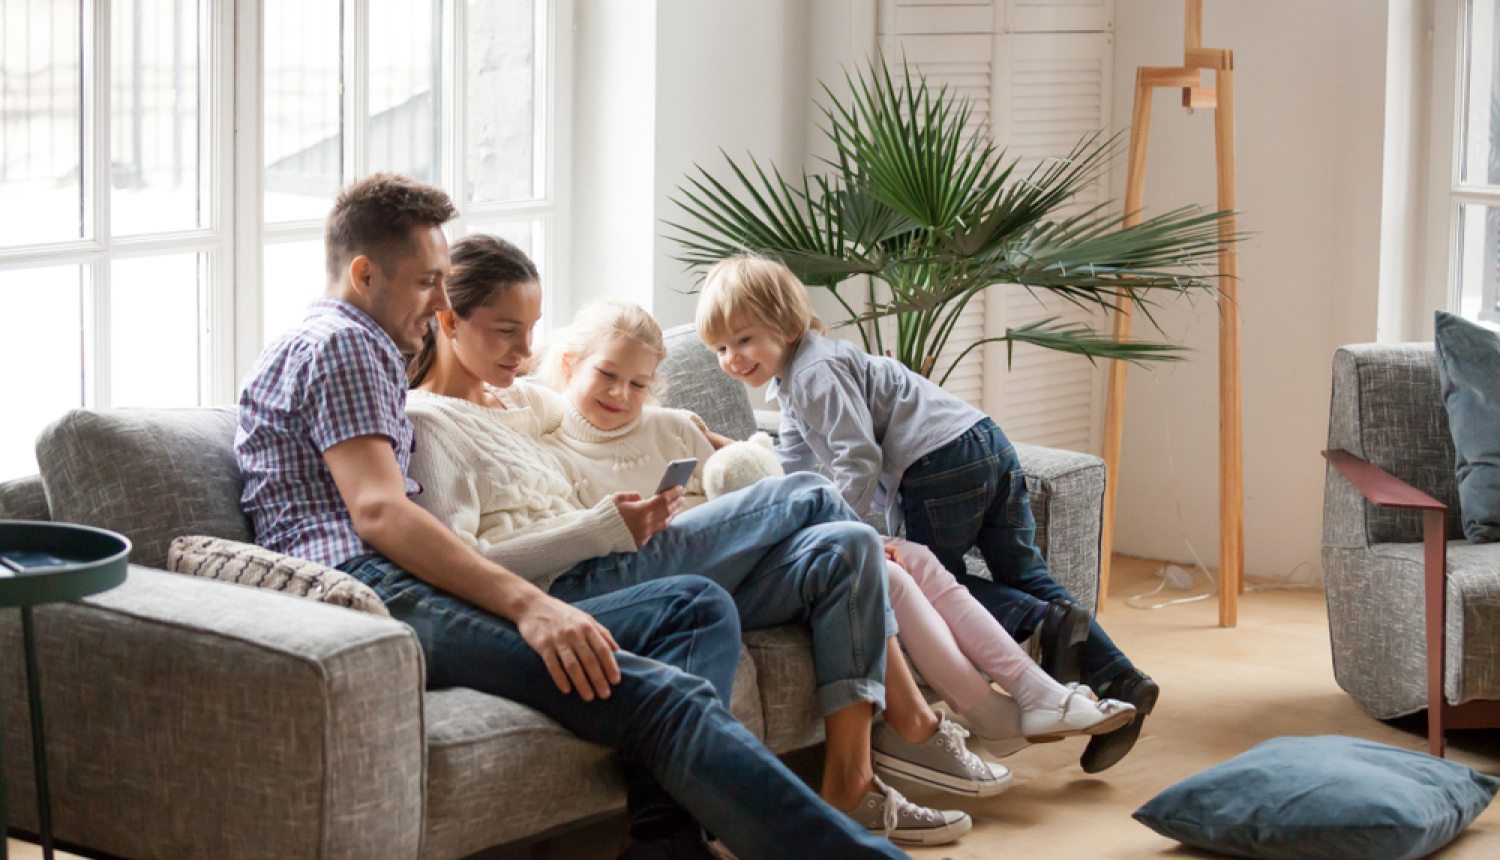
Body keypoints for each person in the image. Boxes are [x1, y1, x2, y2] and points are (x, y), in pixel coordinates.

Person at [234, 173, 916, 860]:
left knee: (696, 605)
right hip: (373, 597)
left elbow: (563, 408)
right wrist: (534, 605)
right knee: (666, 698)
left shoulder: (354, 347)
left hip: (389, 588)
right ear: (363, 273)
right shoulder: (345, 345)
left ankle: (665, 845)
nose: (440, 300)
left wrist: (690, 438)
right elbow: (380, 511)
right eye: (426, 283)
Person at [404, 236, 983, 847]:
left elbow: (610, 413)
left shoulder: (522, 397)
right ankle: (916, 714)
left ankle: (851, 782)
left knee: (843, 549)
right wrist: (601, 526)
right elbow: (457, 566)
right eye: (505, 331)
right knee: (807, 495)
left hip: (619, 559)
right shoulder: (428, 423)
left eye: (532, 331)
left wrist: (702, 439)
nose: (525, 350)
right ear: (446, 321)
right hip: (568, 585)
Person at [533, 299, 1134, 762]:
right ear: (568, 364)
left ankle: (1020, 698)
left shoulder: (669, 424)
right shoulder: (550, 441)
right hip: (675, 575)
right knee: (873, 549)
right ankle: (1004, 703)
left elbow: (750, 484)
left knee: (910, 561)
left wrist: (729, 448)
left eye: (638, 385)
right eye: (607, 376)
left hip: (753, 552)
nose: (622, 395)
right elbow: (596, 544)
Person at [695, 254, 1161, 774]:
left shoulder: (813, 374)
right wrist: (735, 459)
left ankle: (1042, 622)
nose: (732, 358)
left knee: (933, 582)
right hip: (982, 441)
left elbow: (858, 459)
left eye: (744, 340)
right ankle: (1122, 677)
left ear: (785, 324)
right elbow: (795, 470)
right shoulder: (797, 378)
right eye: (719, 348)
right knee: (1024, 573)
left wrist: (842, 526)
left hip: (936, 465)